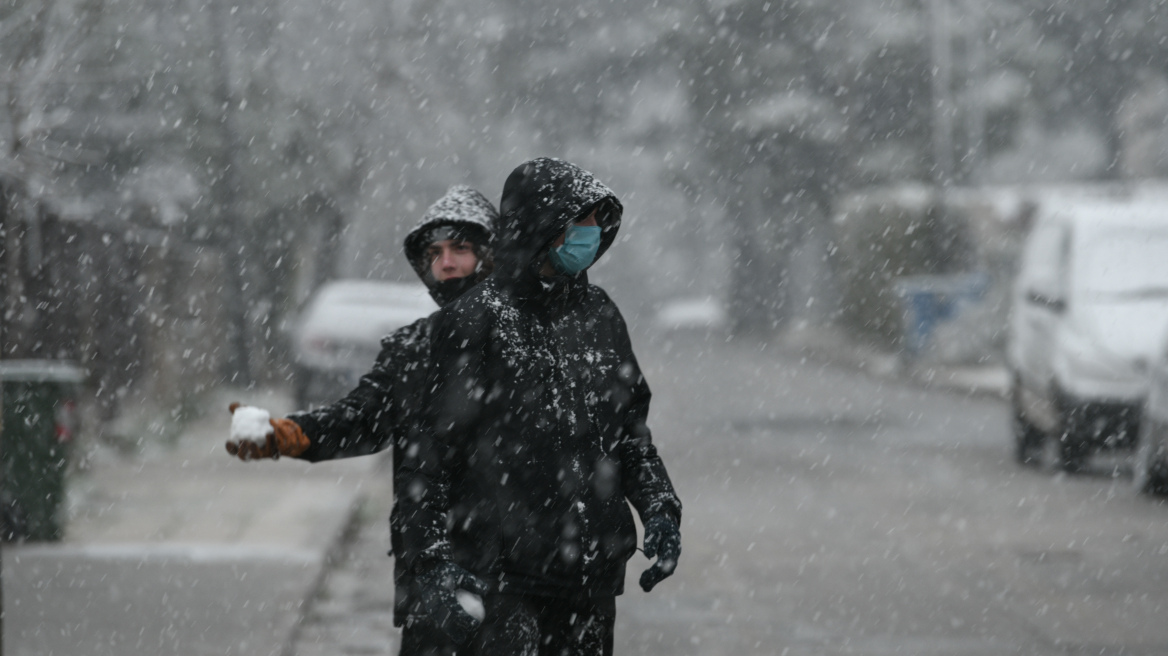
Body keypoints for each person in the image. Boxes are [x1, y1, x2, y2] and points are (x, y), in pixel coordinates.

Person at [396, 158, 683, 656]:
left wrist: (660, 507)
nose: (592, 234)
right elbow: (429, 459)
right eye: (582, 222)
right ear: (543, 227)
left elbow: (630, 434)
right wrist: (432, 565)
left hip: (591, 580)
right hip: (504, 580)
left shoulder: (600, 315)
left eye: (597, 222)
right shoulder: (473, 322)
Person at [224, 185, 498, 656]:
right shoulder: (414, 348)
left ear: (492, 256)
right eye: (434, 253)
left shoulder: (534, 346)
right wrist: (287, 434)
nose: (446, 264)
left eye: (461, 249)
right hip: (430, 579)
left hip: (521, 581)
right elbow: (361, 418)